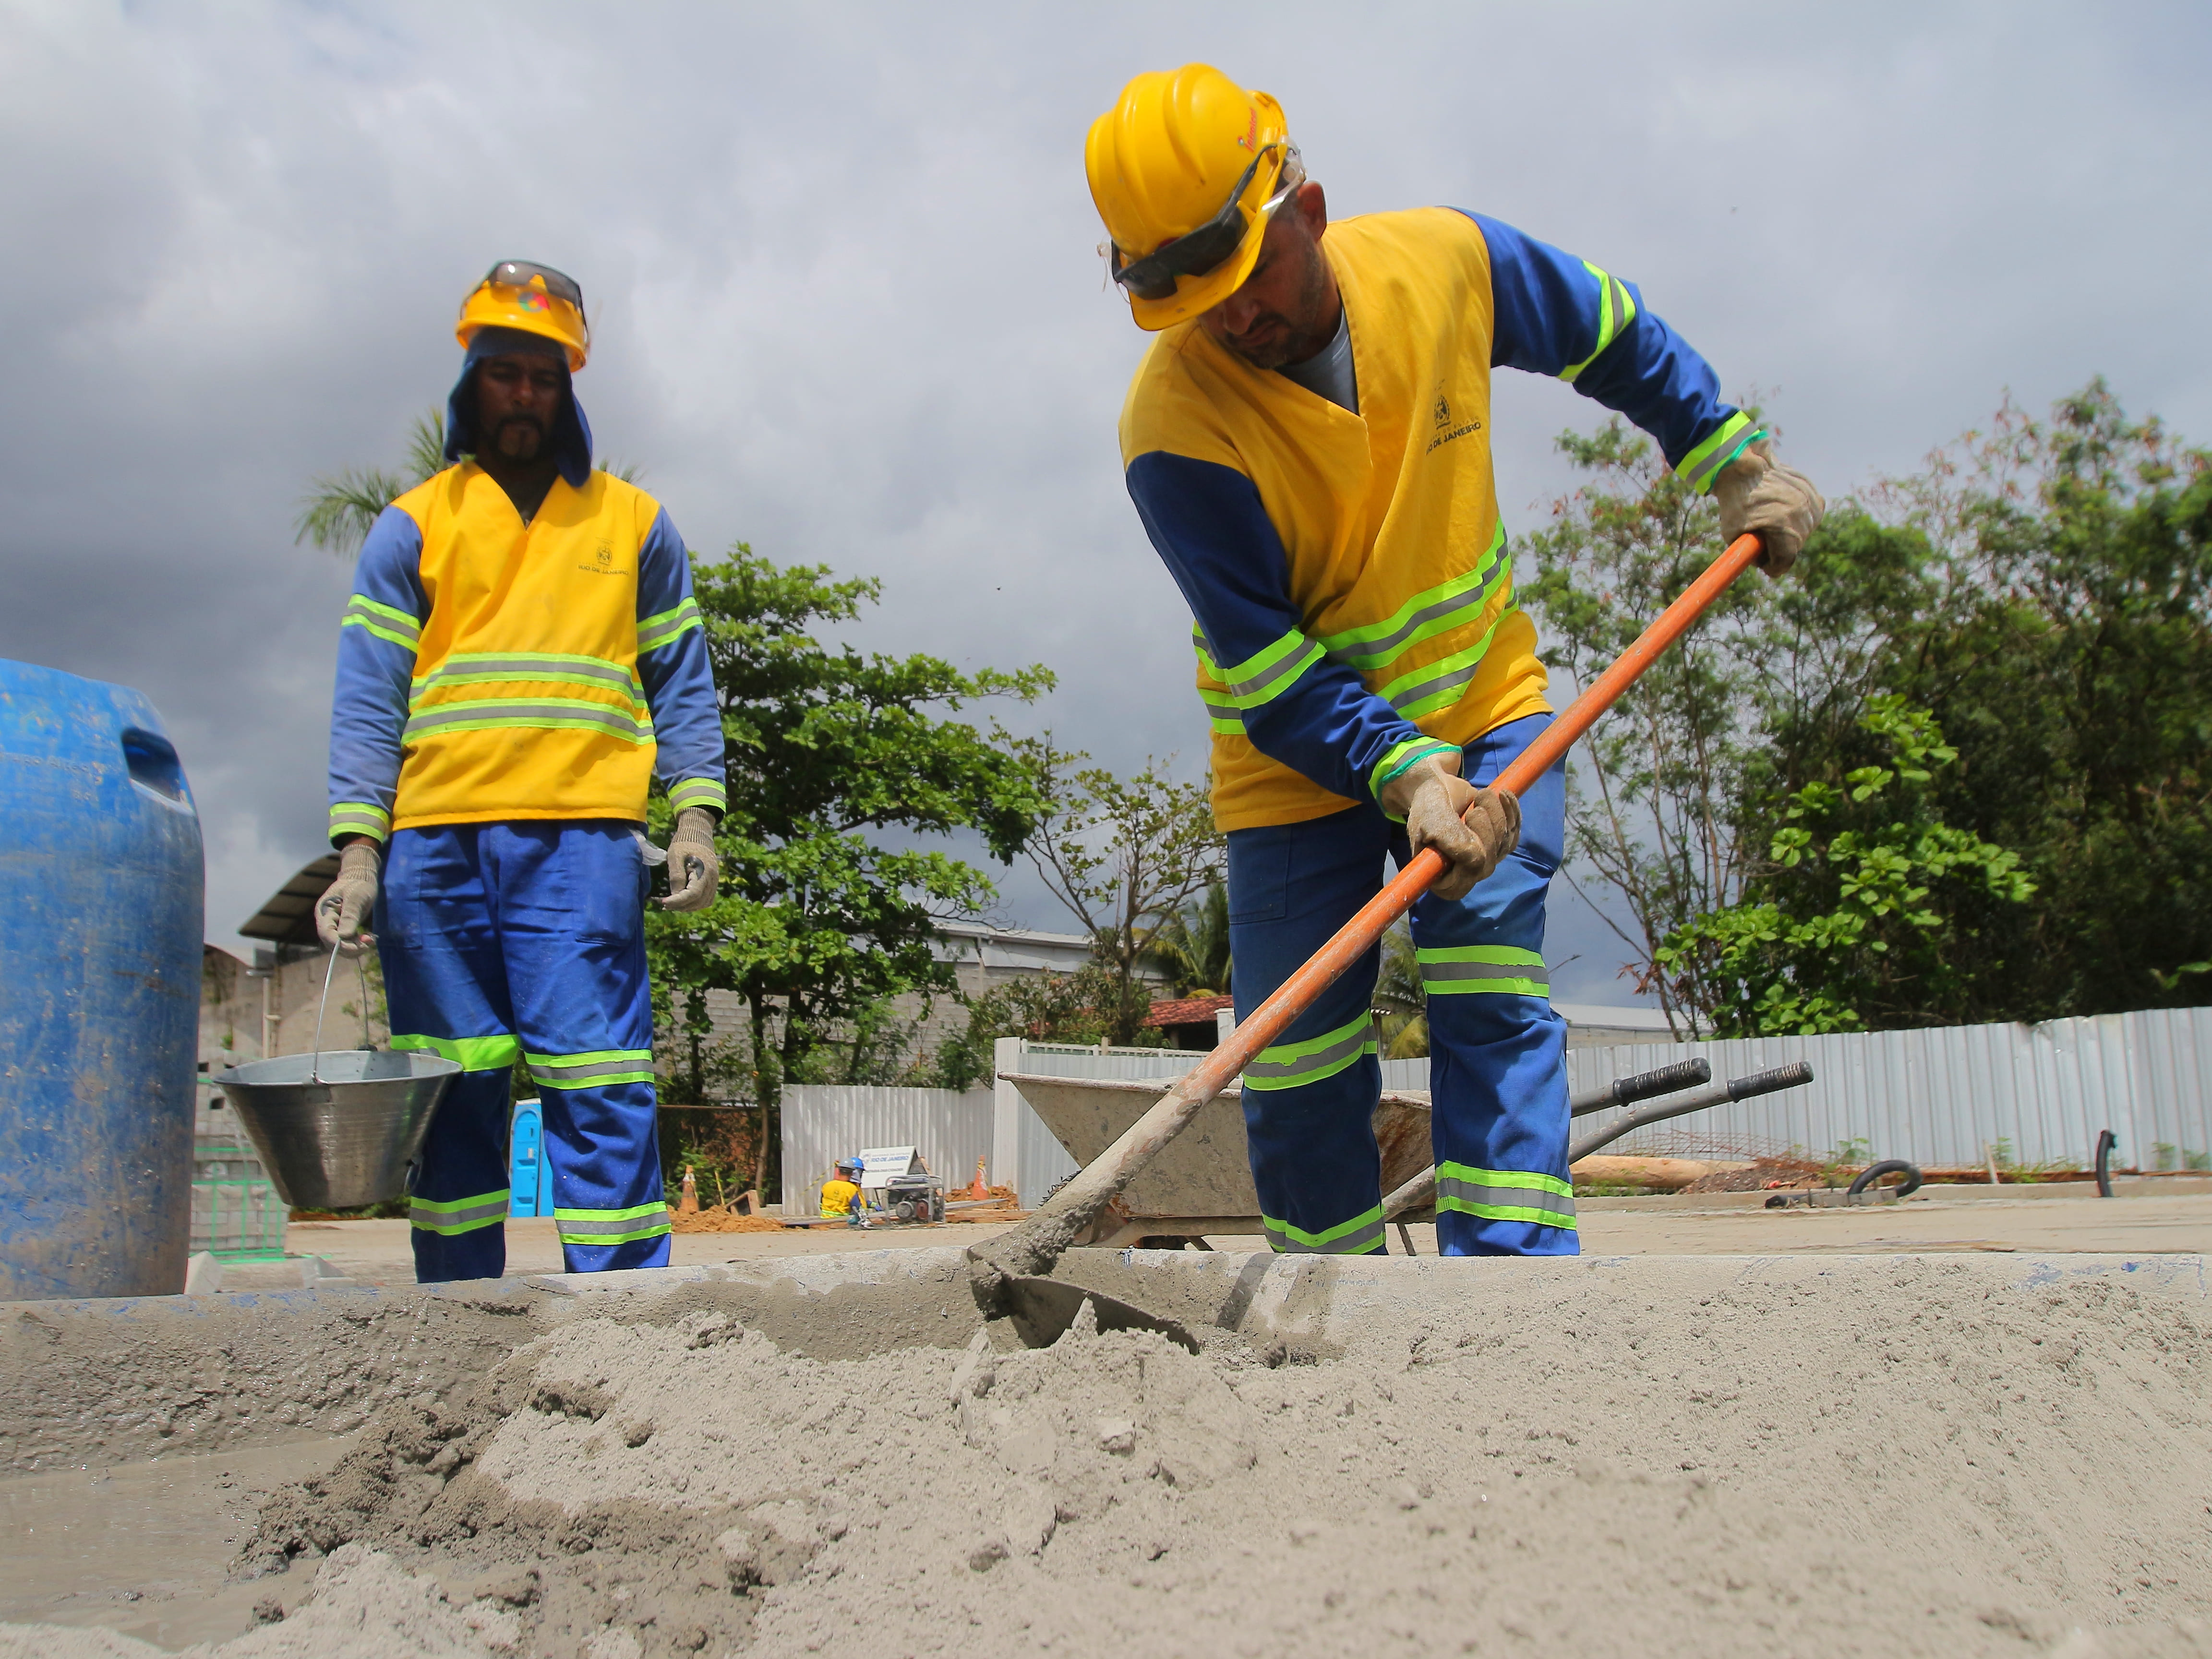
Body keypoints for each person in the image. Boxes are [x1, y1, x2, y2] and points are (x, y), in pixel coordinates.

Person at [1085, 67, 1823, 1259]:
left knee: (1488, 990)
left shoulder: (1442, 265)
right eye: (1196, 303)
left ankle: (1511, 1302)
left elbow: (1605, 329)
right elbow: (1268, 669)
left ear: (1308, 210)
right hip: (1297, 766)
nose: (1234, 320)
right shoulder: (1172, 430)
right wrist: (1404, 771)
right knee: (1298, 1061)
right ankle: (1325, 1313)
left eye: (1248, 276)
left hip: (1487, 713)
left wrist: (1725, 453)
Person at [314, 261, 728, 1284]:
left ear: (568, 387)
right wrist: (359, 854)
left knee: (600, 1083)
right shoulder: (414, 525)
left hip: (582, 846)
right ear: (473, 382)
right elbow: (369, 697)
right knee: (454, 1094)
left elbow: (683, 680)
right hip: (435, 852)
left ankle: (624, 1320)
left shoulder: (633, 524)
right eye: (506, 373)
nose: (525, 395)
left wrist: (696, 820)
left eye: (545, 377)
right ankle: (461, 1318)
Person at [820, 1158, 865, 1225]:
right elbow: (857, 1207)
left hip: (824, 1221)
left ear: (839, 1171)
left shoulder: (827, 1185)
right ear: (852, 1174)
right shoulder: (852, 1189)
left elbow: (821, 1204)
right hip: (841, 1222)